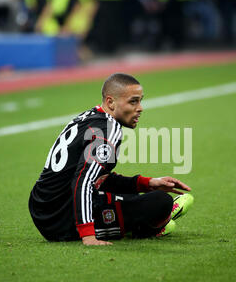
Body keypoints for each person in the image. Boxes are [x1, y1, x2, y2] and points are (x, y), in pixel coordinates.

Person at [29, 73, 194, 246]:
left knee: (136, 194)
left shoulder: (87, 117)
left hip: (43, 207)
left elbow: (96, 178)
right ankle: (155, 224)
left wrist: (147, 183)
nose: (140, 108)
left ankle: (155, 220)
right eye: (133, 101)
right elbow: (83, 181)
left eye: (140, 101)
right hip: (60, 219)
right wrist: (88, 236)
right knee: (161, 202)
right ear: (110, 102)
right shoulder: (109, 130)